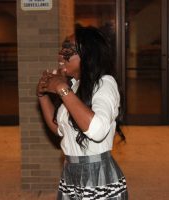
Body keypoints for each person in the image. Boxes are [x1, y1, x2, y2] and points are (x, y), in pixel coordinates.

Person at [37, 26, 128, 199]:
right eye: (61, 49)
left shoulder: (105, 83)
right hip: (71, 174)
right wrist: (42, 96)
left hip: (97, 176)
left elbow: (97, 129)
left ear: (88, 55)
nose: (61, 55)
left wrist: (62, 89)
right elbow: (59, 129)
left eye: (68, 50)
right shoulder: (76, 86)